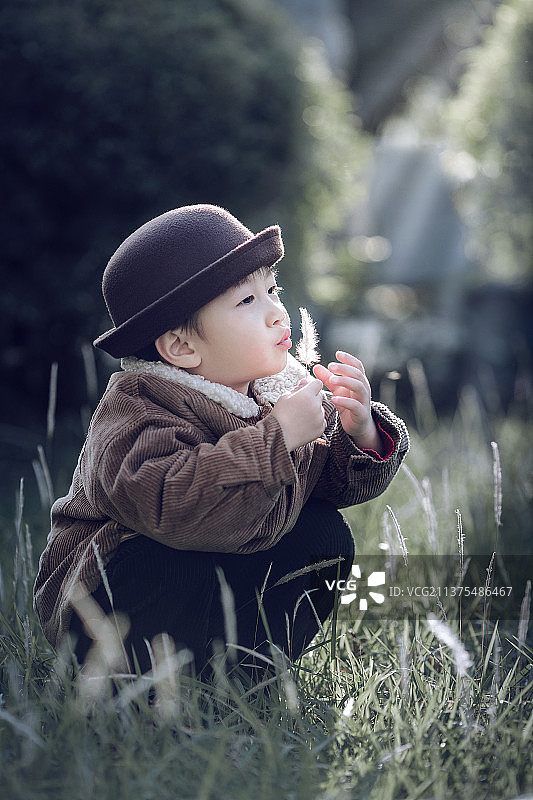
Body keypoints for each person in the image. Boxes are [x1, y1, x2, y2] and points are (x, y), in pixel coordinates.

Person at [33, 204, 409, 680]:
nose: (277, 313)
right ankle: (132, 693)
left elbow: (320, 488)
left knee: (322, 536)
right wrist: (277, 439)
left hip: (212, 579)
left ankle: (240, 679)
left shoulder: (275, 394)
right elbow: (170, 504)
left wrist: (360, 435)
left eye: (272, 290)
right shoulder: (138, 408)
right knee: (165, 561)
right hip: (105, 603)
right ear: (183, 348)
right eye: (247, 302)